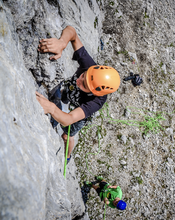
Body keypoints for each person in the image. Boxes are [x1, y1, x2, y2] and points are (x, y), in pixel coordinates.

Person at [35, 26, 120, 163]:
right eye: (83, 75)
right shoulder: (89, 66)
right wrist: (62, 43)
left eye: (84, 85)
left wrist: (51, 108)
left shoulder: (97, 101)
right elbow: (72, 32)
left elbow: (69, 119)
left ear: (94, 92)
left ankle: (68, 156)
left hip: (79, 112)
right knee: (62, 96)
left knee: (66, 137)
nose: (79, 80)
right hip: (68, 94)